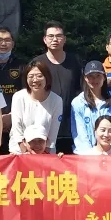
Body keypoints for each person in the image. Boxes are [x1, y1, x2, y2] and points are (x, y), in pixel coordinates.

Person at [32, 22, 84, 154]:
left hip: (71, 127)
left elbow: (82, 90)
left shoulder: (75, 62)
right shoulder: (37, 63)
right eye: (51, 36)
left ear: (64, 39)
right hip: (44, 128)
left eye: (59, 36)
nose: (55, 39)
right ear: (45, 39)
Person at [72, 60, 111, 153]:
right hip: (86, 155)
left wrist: (110, 152)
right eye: (90, 76)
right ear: (85, 78)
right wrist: (90, 154)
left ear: (104, 77)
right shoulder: (78, 102)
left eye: (98, 76)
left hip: (110, 155)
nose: (95, 80)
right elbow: (80, 134)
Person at [10, 60, 63, 154]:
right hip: (20, 152)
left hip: (45, 152)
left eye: (39, 76)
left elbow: (53, 132)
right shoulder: (18, 97)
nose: (35, 80)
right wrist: (24, 150)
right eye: (31, 76)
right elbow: (16, 127)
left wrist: (44, 152)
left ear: (47, 78)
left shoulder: (56, 100)